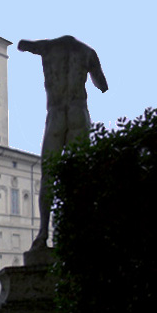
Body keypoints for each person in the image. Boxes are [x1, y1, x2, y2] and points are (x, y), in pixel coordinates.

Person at [18, 36, 108, 251]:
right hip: (78, 112)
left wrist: (40, 48)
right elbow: (102, 85)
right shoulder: (87, 51)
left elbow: (22, 45)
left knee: (48, 175)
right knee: (81, 176)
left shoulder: (49, 47)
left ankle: (42, 234)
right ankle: (80, 229)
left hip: (56, 113)